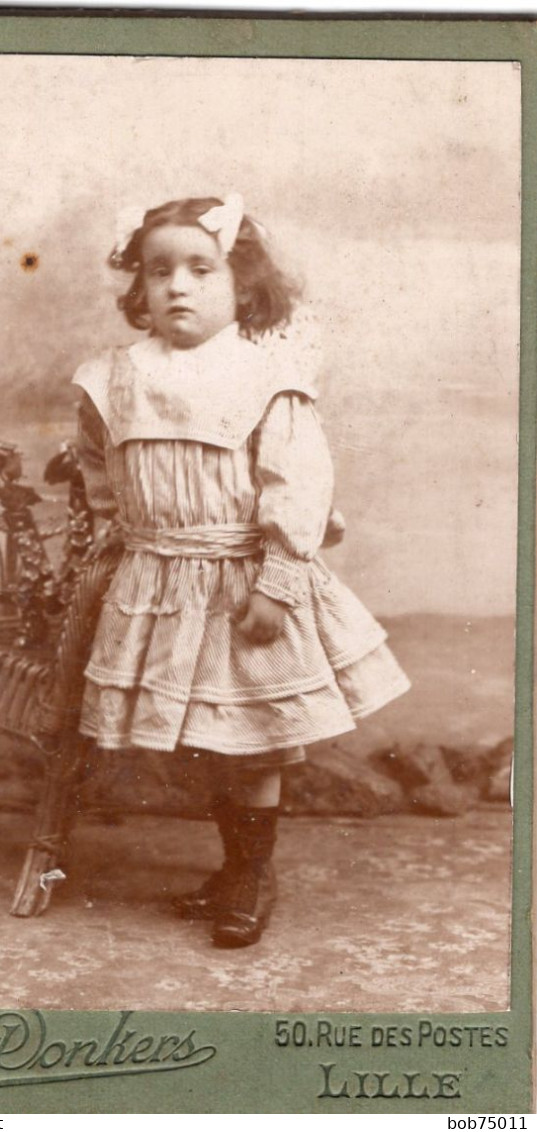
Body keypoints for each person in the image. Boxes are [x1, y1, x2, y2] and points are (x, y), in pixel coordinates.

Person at [72, 194, 409, 949]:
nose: (178, 287)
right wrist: (115, 542)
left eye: (200, 268)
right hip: (161, 585)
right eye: (159, 272)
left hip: (241, 582)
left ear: (241, 287)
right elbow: (101, 466)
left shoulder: (264, 376)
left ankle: (254, 874)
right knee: (206, 739)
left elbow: (298, 481)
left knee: (253, 740)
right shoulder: (113, 378)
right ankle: (231, 868)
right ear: (139, 289)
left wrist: (277, 585)